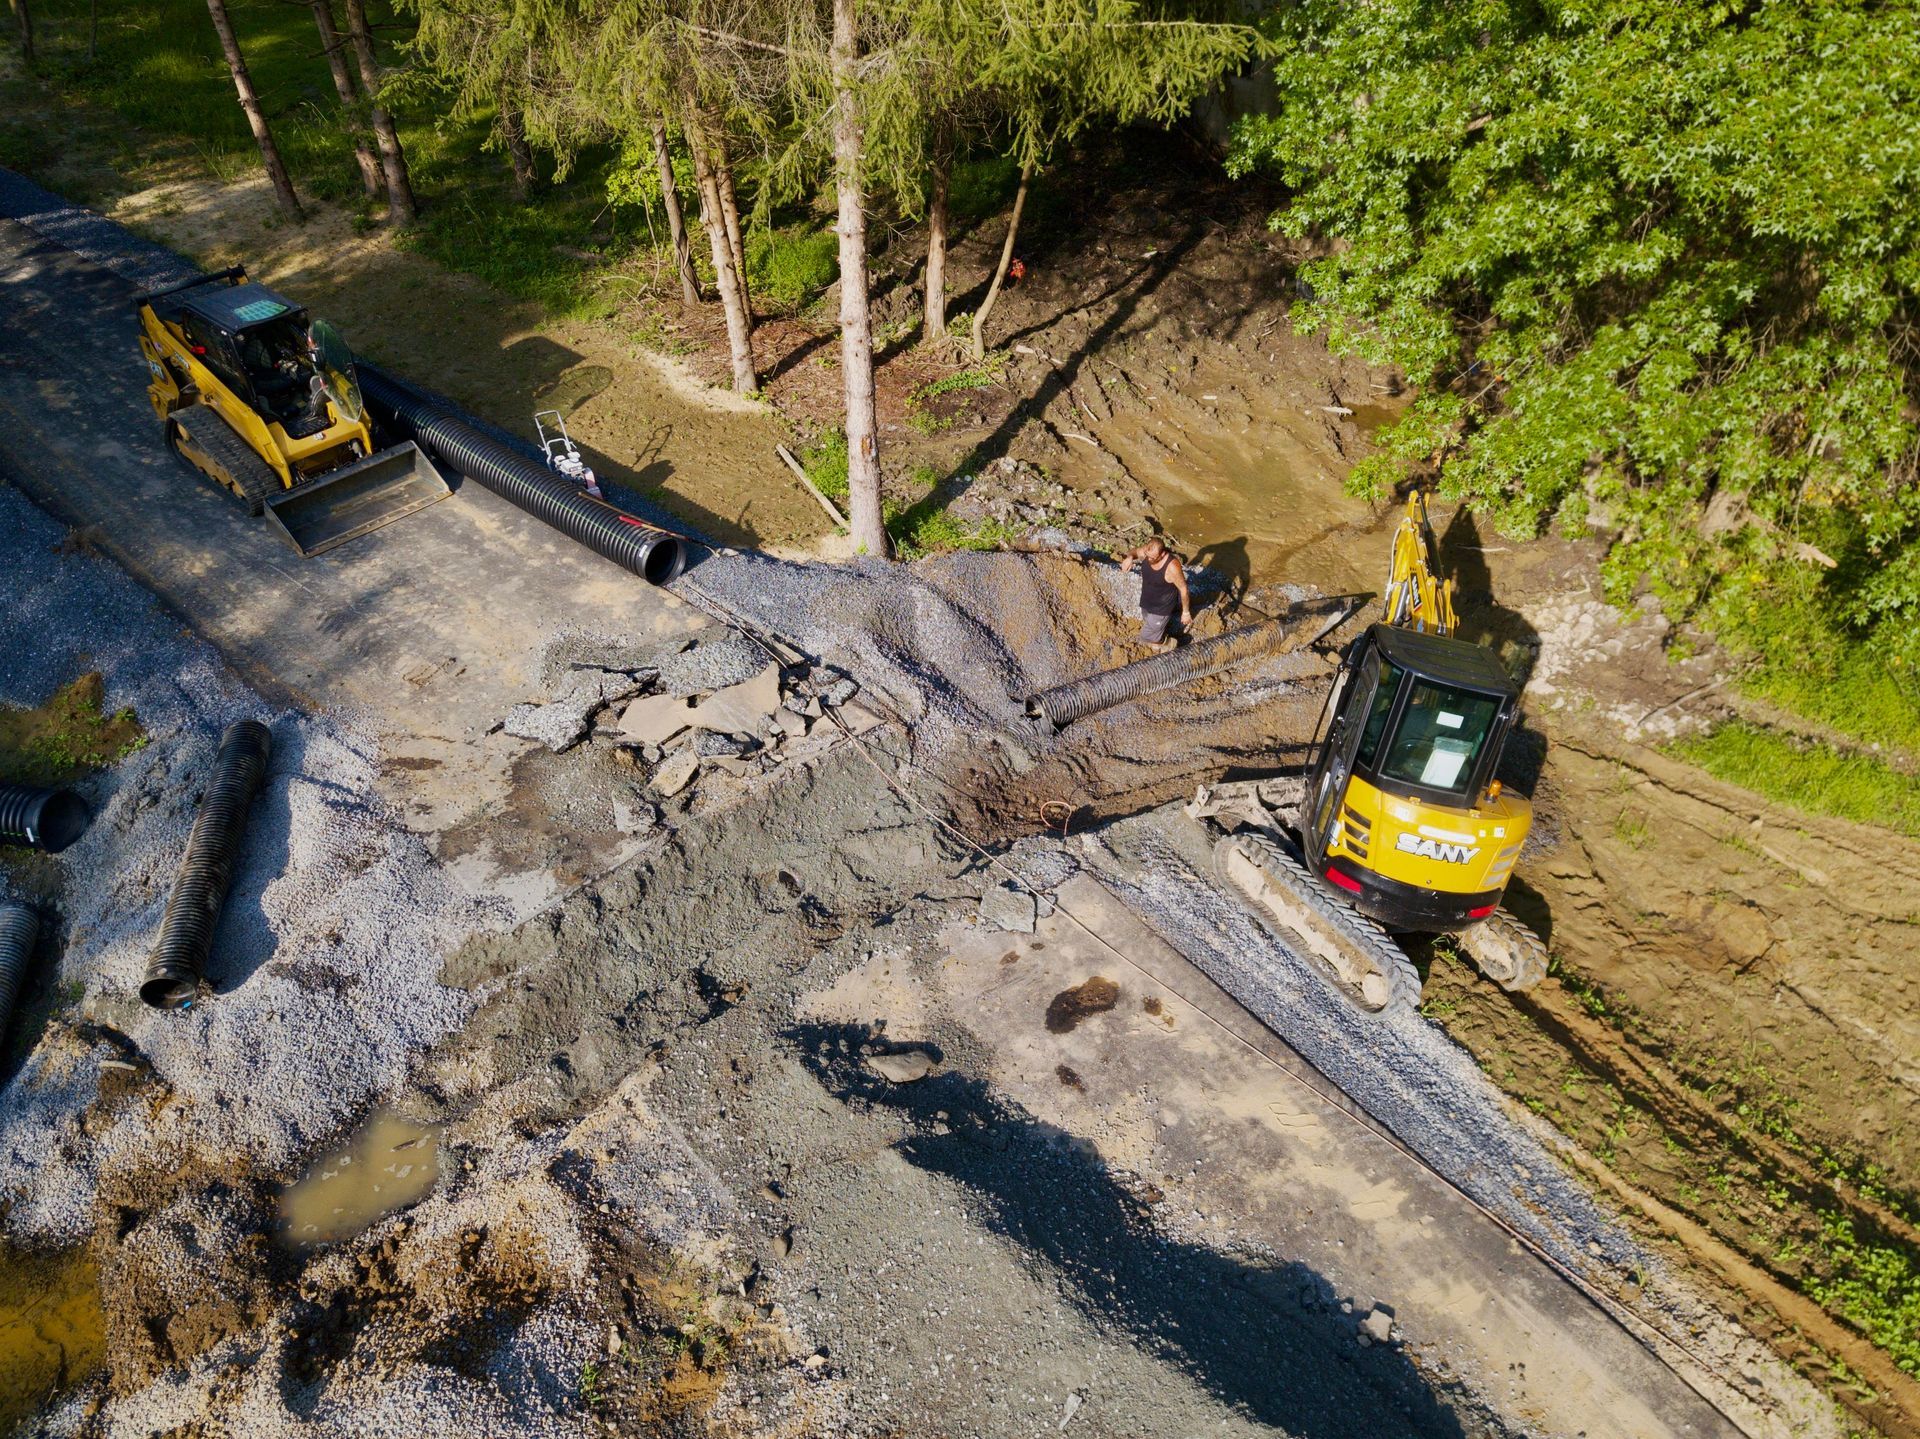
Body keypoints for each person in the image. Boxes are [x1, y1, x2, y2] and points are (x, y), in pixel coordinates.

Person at [1119, 536, 1191, 651]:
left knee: (1145, 636)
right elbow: (1134, 552)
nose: (1148, 559)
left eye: (1153, 558)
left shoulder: (1172, 566)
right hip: (1147, 600)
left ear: (1162, 554)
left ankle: (1168, 643)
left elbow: (1184, 589)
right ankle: (1159, 632)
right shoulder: (1148, 552)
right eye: (1147, 556)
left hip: (1162, 607)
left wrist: (1186, 612)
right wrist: (1130, 557)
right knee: (1148, 620)